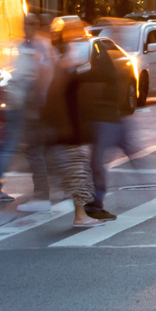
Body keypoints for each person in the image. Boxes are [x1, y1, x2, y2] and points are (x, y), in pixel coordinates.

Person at [0, 14, 57, 208]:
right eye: (25, 24)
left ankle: (47, 191)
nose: (26, 28)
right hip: (22, 105)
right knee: (21, 148)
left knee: (23, 148)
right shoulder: (32, 47)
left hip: (23, 104)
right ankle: (41, 194)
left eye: (29, 24)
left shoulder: (32, 46)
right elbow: (35, 76)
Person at [43, 17, 106, 227]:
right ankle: (80, 216)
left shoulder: (68, 60)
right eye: (75, 32)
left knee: (78, 170)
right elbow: (59, 95)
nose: (80, 35)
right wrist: (65, 126)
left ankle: (80, 214)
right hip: (70, 128)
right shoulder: (65, 62)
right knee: (79, 171)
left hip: (72, 126)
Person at [87, 34, 141, 213]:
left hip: (107, 121)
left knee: (97, 162)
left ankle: (97, 199)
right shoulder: (104, 67)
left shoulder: (100, 68)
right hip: (109, 121)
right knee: (100, 161)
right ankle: (97, 197)